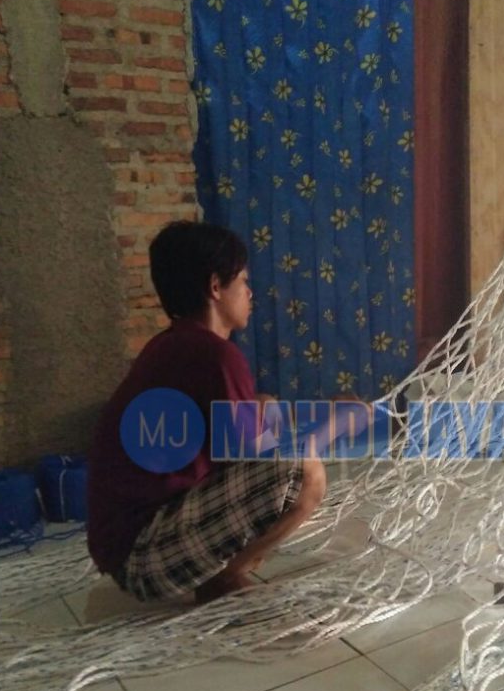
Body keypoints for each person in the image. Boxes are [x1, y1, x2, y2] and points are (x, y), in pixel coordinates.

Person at [87, 220, 327, 606]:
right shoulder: (214, 355)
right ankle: (221, 579)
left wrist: (272, 414)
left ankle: (217, 572)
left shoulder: (173, 345)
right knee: (306, 473)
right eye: (243, 281)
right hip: (145, 557)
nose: (250, 293)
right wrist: (332, 423)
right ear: (215, 287)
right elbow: (258, 457)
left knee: (265, 404)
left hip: (131, 548)